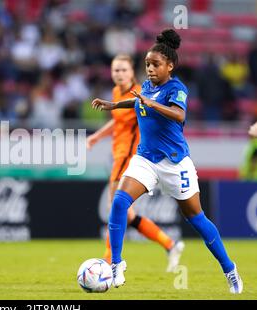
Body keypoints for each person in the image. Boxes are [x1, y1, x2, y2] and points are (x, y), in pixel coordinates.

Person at [91, 29, 243, 294]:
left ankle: (229, 269)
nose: (149, 69)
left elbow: (178, 115)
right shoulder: (147, 87)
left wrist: (152, 104)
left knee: (196, 219)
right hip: (146, 159)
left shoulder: (176, 88)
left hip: (175, 164)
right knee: (119, 201)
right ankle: (116, 264)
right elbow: (139, 103)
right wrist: (114, 106)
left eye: (155, 64)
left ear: (169, 66)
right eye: (147, 64)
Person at [87, 54, 184, 272]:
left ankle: (109, 258)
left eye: (123, 70)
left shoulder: (141, 93)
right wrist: (97, 136)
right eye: (115, 70)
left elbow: (153, 119)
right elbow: (118, 121)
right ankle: (170, 244)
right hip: (118, 155)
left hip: (129, 157)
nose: (119, 74)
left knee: (117, 208)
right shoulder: (115, 93)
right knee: (126, 214)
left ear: (132, 73)